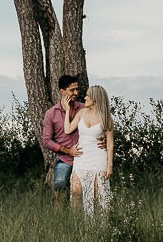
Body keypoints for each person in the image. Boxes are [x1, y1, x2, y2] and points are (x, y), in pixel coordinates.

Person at [42, 76, 106, 201]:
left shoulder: (84, 108)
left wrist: (103, 139)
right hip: (65, 159)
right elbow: (47, 141)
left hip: (86, 157)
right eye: (72, 90)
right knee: (59, 189)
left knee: (91, 191)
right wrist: (67, 151)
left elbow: (101, 123)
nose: (76, 93)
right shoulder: (51, 113)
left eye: (77, 89)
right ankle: (60, 218)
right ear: (62, 91)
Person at [63, 85, 114, 217]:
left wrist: (109, 165)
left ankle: (98, 226)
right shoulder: (81, 113)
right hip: (81, 157)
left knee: (98, 195)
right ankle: (77, 224)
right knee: (75, 192)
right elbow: (68, 129)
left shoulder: (107, 118)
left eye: (88, 96)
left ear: (96, 98)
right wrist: (68, 110)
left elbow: (110, 143)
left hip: (98, 157)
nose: (85, 97)